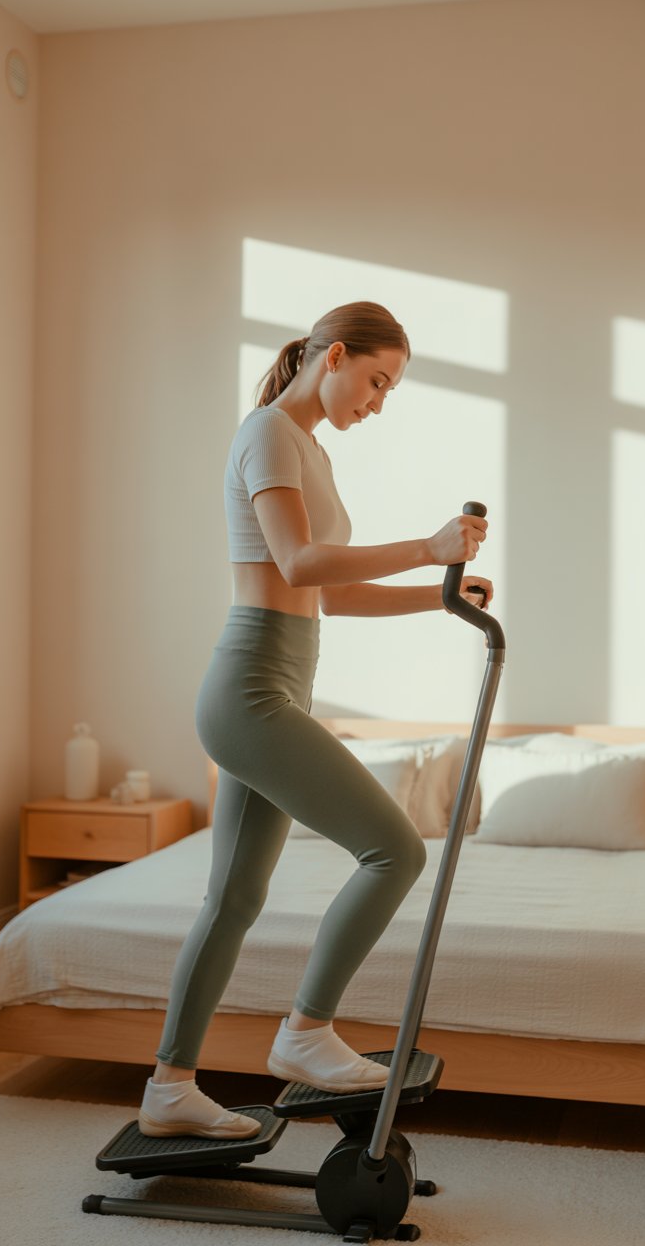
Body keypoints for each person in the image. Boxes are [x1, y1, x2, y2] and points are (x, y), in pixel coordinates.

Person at [138, 301, 492, 1139]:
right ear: (333, 357)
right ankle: (305, 1032)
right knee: (395, 849)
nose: (378, 401)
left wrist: (437, 597)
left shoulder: (309, 452)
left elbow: (321, 590)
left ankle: (168, 1088)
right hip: (251, 688)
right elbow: (296, 560)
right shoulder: (267, 431)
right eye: (376, 380)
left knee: (232, 899)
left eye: (389, 390)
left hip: (279, 687)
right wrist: (426, 546)